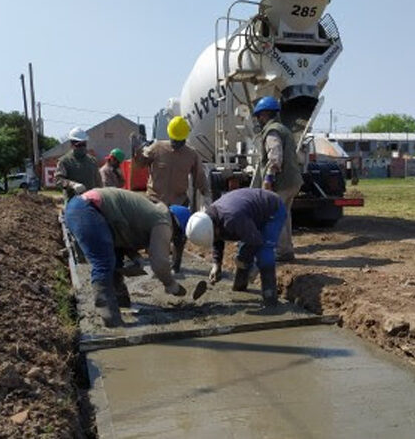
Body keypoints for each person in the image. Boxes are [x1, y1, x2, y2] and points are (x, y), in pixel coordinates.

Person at [64, 187, 201, 327]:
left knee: (115, 260)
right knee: (104, 263)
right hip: (87, 211)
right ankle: (110, 318)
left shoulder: (150, 213)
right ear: (178, 227)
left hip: (81, 208)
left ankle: (120, 301)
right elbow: (159, 262)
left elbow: (123, 235)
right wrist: (171, 284)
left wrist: (135, 257)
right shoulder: (163, 220)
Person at [134, 116, 213, 272]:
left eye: (180, 141)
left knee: (178, 237)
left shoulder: (191, 154)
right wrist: (138, 151)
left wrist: (207, 196)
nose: (177, 144)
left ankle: (176, 265)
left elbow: (199, 178)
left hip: (179, 202)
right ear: (170, 136)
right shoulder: (157, 148)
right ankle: (157, 265)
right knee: (153, 235)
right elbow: (139, 164)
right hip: (155, 200)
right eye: (174, 141)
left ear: (185, 138)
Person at [185, 188, 286, 307]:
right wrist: (216, 264)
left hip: (272, 209)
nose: (215, 238)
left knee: (264, 253)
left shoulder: (232, 219)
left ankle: (270, 298)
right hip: (249, 213)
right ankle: (240, 287)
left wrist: (252, 266)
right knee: (243, 252)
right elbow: (217, 239)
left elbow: (256, 241)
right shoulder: (210, 218)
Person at [250, 96, 303, 262]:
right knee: (284, 215)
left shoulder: (272, 131)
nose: (258, 119)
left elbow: (275, 156)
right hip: (292, 181)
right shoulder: (284, 129)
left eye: (259, 115)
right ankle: (286, 250)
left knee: (275, 216)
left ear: (265, 114)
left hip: (281, 182)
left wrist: (268, 179)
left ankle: (281, 252)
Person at [56, 127, 102, 199]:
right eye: (79, 145)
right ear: (72, 144)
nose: (82, 147)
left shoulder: (92, 161)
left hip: (91, 201)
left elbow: (98, 182)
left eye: (84, 144)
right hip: (73, 202)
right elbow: (58, 180)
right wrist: (72, 184)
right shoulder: (64, 161)